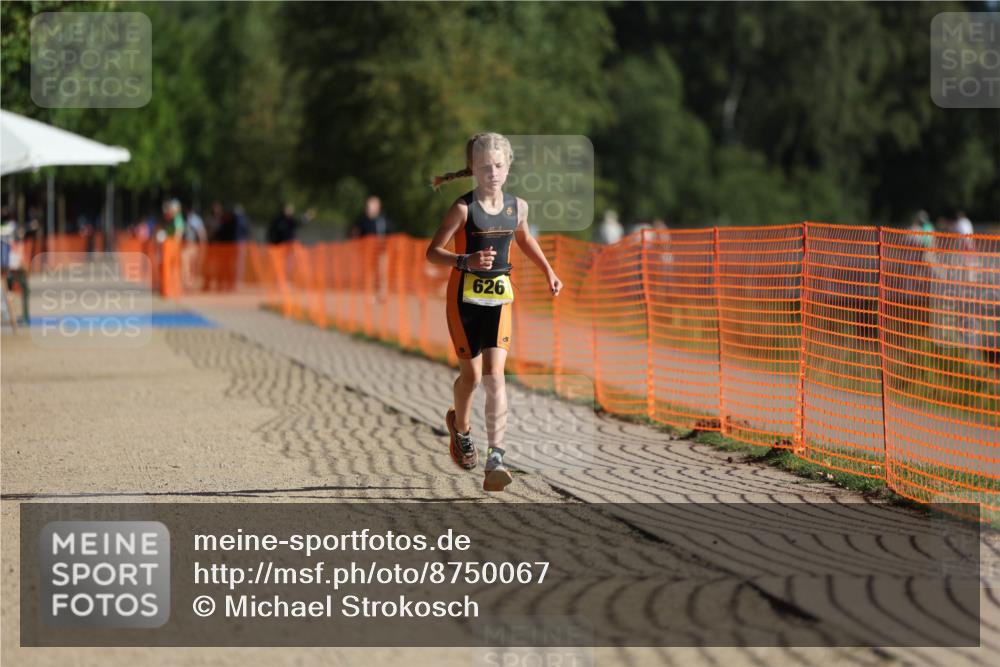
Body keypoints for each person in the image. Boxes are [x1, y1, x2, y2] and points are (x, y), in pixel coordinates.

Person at [426, 132, 562, 492]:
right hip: (463, 303)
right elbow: (432, 252)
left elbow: (525, 238)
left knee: (495, 376)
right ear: (473, 168)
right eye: (485, 166)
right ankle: (461, 428)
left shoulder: (518, 207)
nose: (493, 173)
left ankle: (496, 457)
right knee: (470, 378)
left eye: (499, 166)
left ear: (508, 166)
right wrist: (465, 260)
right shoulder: (463, 209)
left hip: (499, 301)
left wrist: (549, 271)